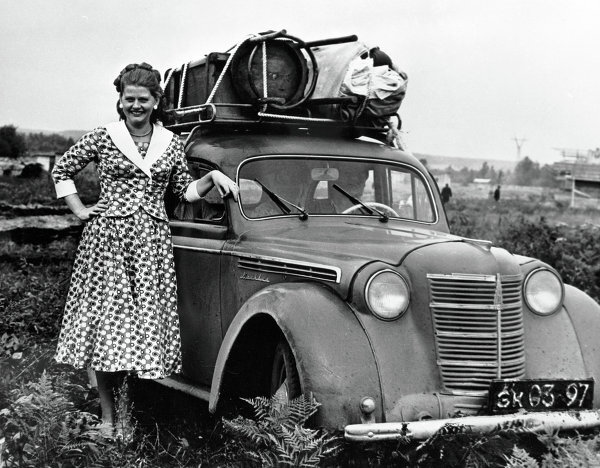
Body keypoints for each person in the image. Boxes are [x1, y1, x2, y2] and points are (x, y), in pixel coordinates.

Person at [51, 62, 239, 432]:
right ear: (120, 101)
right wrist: (81, 210)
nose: (136, 106)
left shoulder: (170, 142)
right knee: (108, 327)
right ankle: (109, 419)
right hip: (108, 243)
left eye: (143, 99)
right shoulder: (104, 136)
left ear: (156, 101)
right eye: (129, 99)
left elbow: (183, 191)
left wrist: (213, 177)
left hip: (151, 245)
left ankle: (128, 412)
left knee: (138, 329)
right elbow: (62, 170)